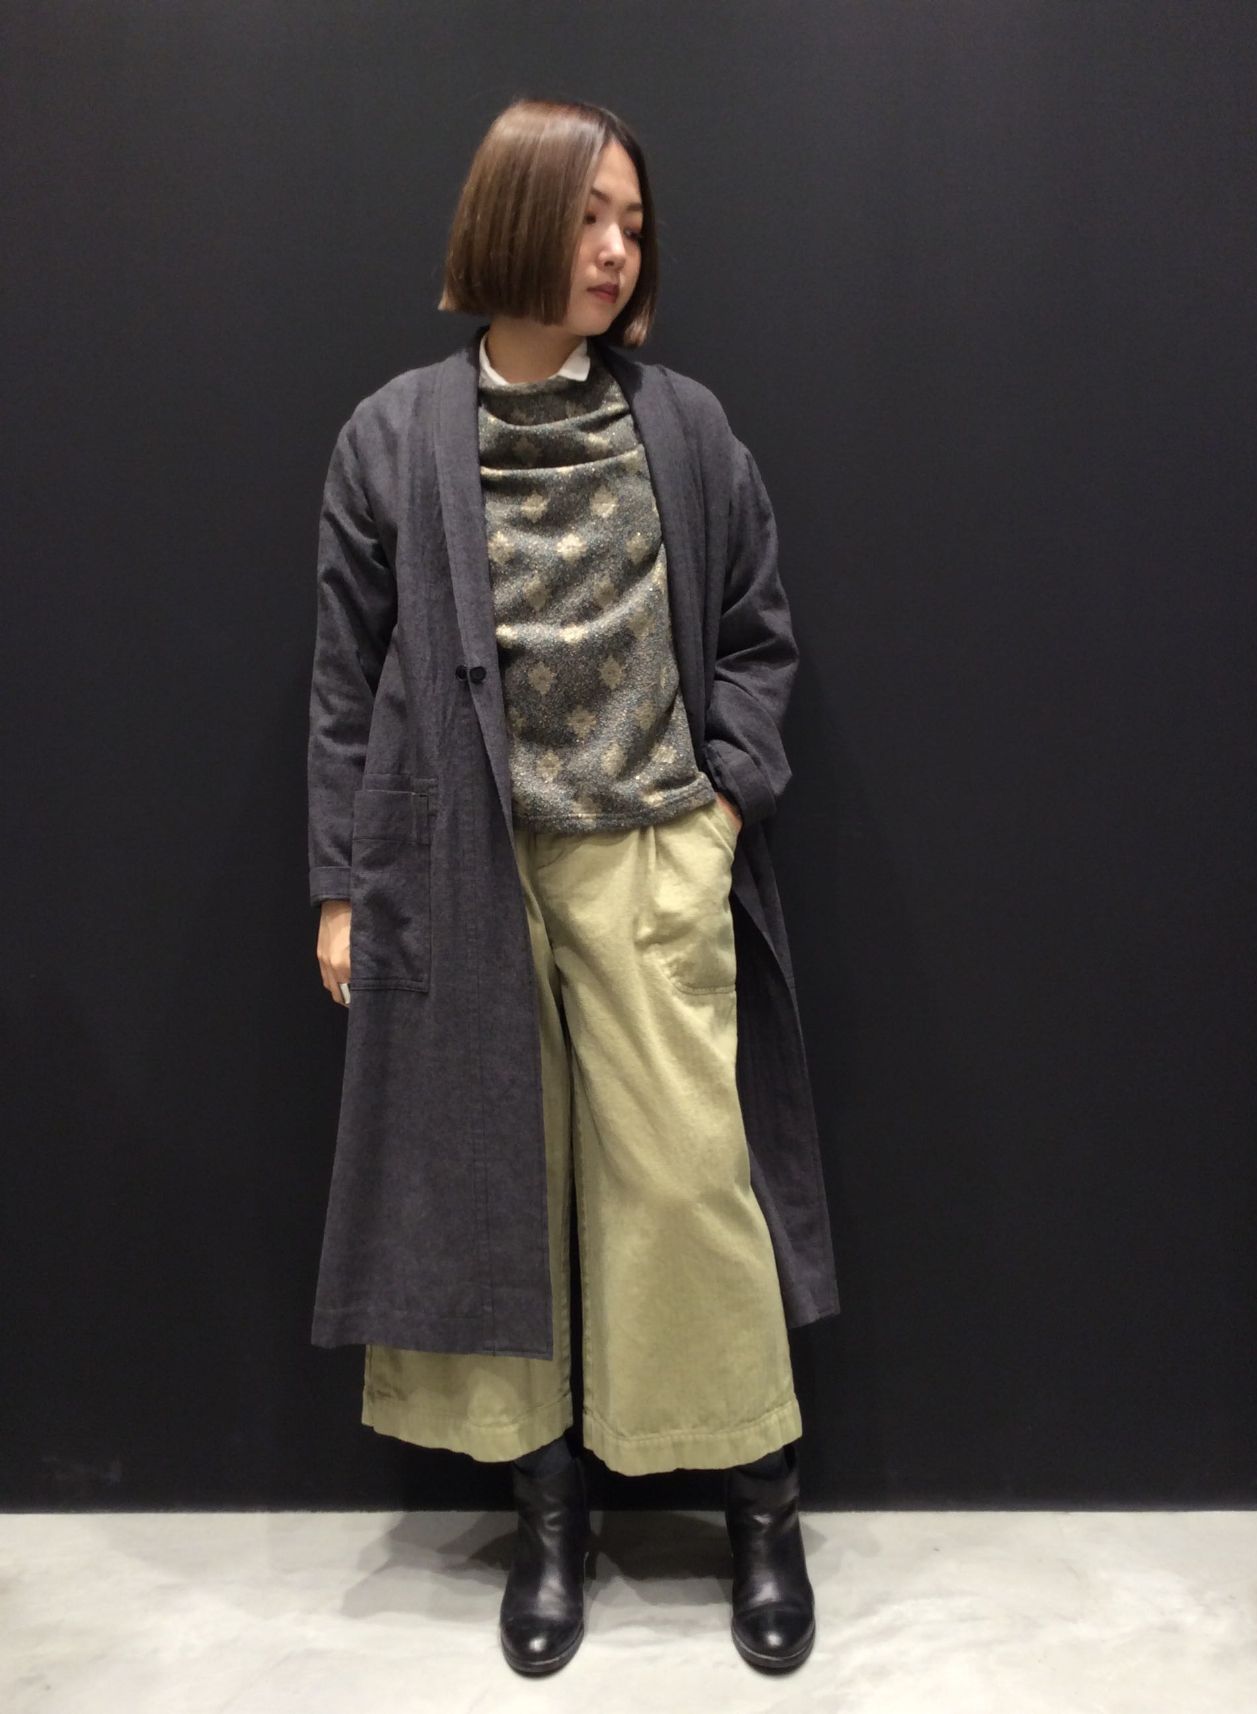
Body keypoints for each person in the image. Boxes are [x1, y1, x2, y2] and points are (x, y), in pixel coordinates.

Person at [309, 96, 837, 1677]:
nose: (615, 251)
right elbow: (345, 680)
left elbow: (757, 633)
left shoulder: (684, 429)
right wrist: (341, 886)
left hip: (650, 856)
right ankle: (549, 1522)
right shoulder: (392, 438)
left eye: (633, 226)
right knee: (498, 1198)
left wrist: (724, 803)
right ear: (513, 221)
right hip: (461, 870)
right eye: (588, 218)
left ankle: (760, 1502)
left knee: (685, 1187)